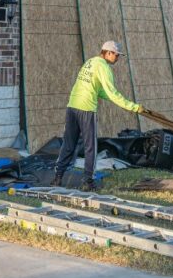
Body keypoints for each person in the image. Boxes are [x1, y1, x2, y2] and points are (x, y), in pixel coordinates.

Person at [53, 41, 145, 190]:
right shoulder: (104, 67)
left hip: (72, 107)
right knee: (91, 147)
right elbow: (112, 92)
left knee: (68, 144)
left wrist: (115, 99)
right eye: (116, 55)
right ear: (108, 53)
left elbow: (100, 91)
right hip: (87, 109)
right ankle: (88, 181)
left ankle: (57, 177)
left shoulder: (90, 62)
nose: (118, 58)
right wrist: (132, 107)